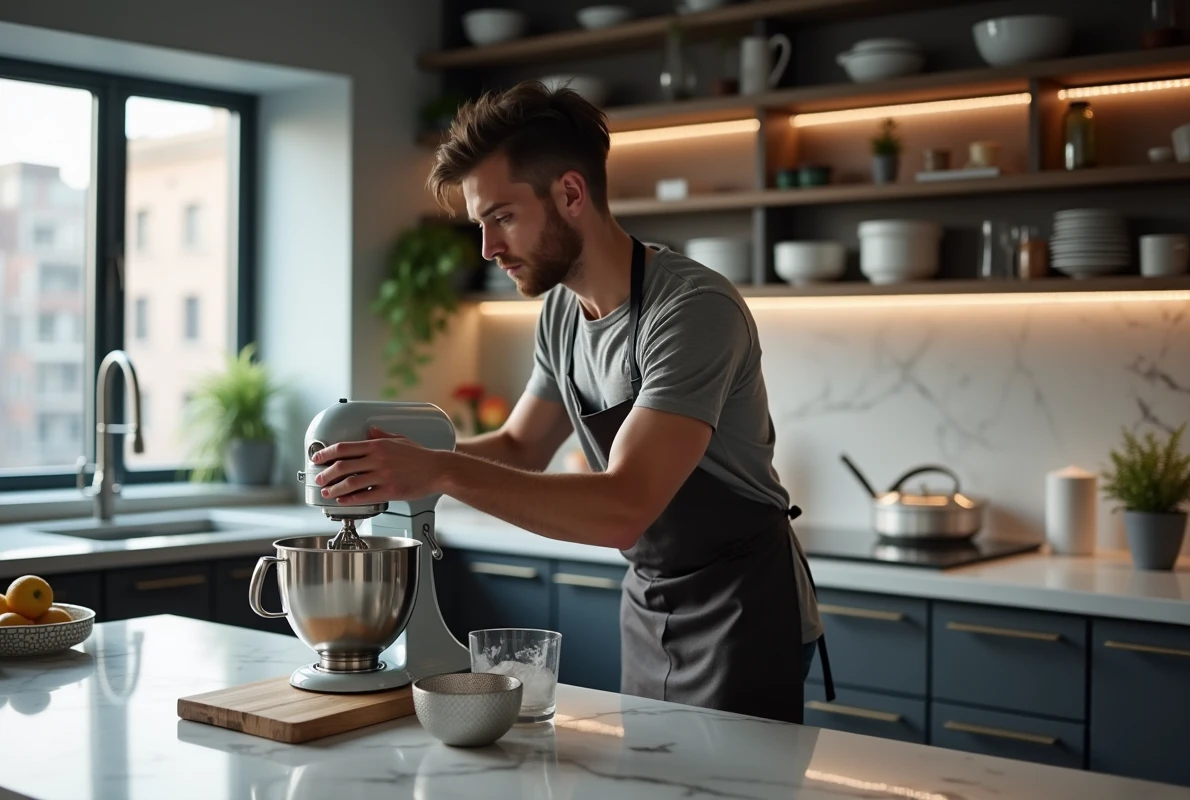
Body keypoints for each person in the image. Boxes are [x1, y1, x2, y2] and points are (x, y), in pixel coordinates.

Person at [311, 81, 833, 723]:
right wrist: (392, 459)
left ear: (571, 194)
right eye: (481, 224)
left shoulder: (691, 310)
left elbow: (624, 507)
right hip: (650, 599)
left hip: (743, 609)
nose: (487, 248)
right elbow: (518, 446)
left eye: (501, 216)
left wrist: (439, 471)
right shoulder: (562, 311)